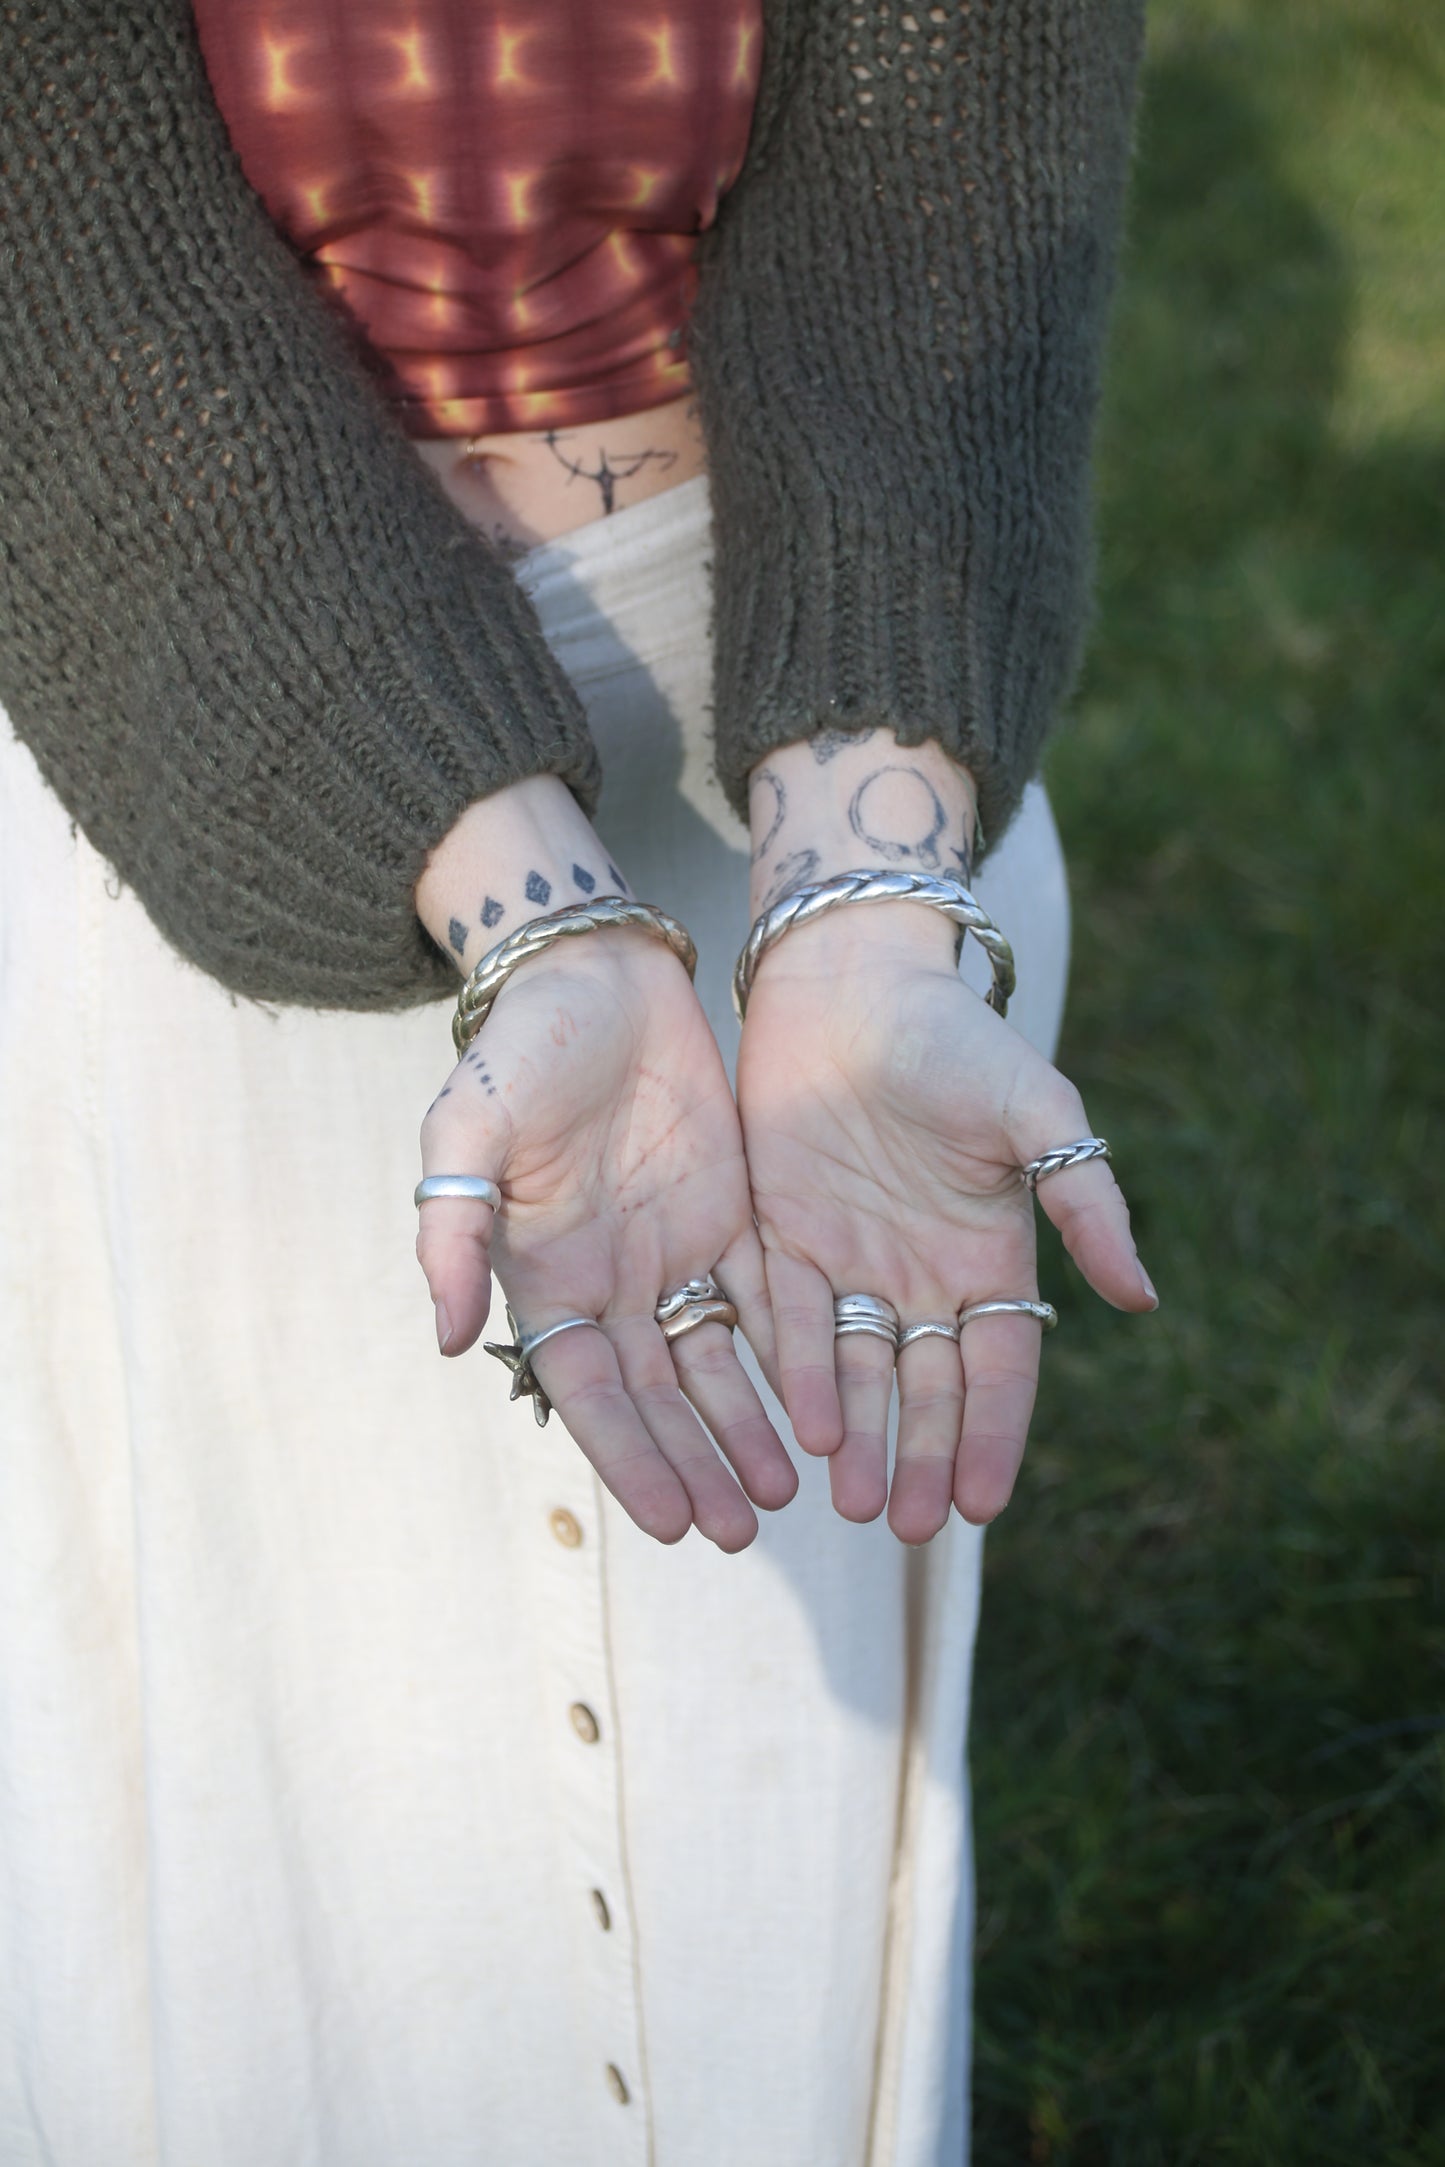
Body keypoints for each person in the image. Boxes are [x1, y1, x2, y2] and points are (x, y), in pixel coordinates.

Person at [0, 3, 1153, 2160]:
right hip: (199, 720)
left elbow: (949, 190)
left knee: (751, 1783)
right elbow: (61, 272)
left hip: (824, 742)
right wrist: (524, 905)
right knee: (272, 1785)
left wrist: (863, 906)